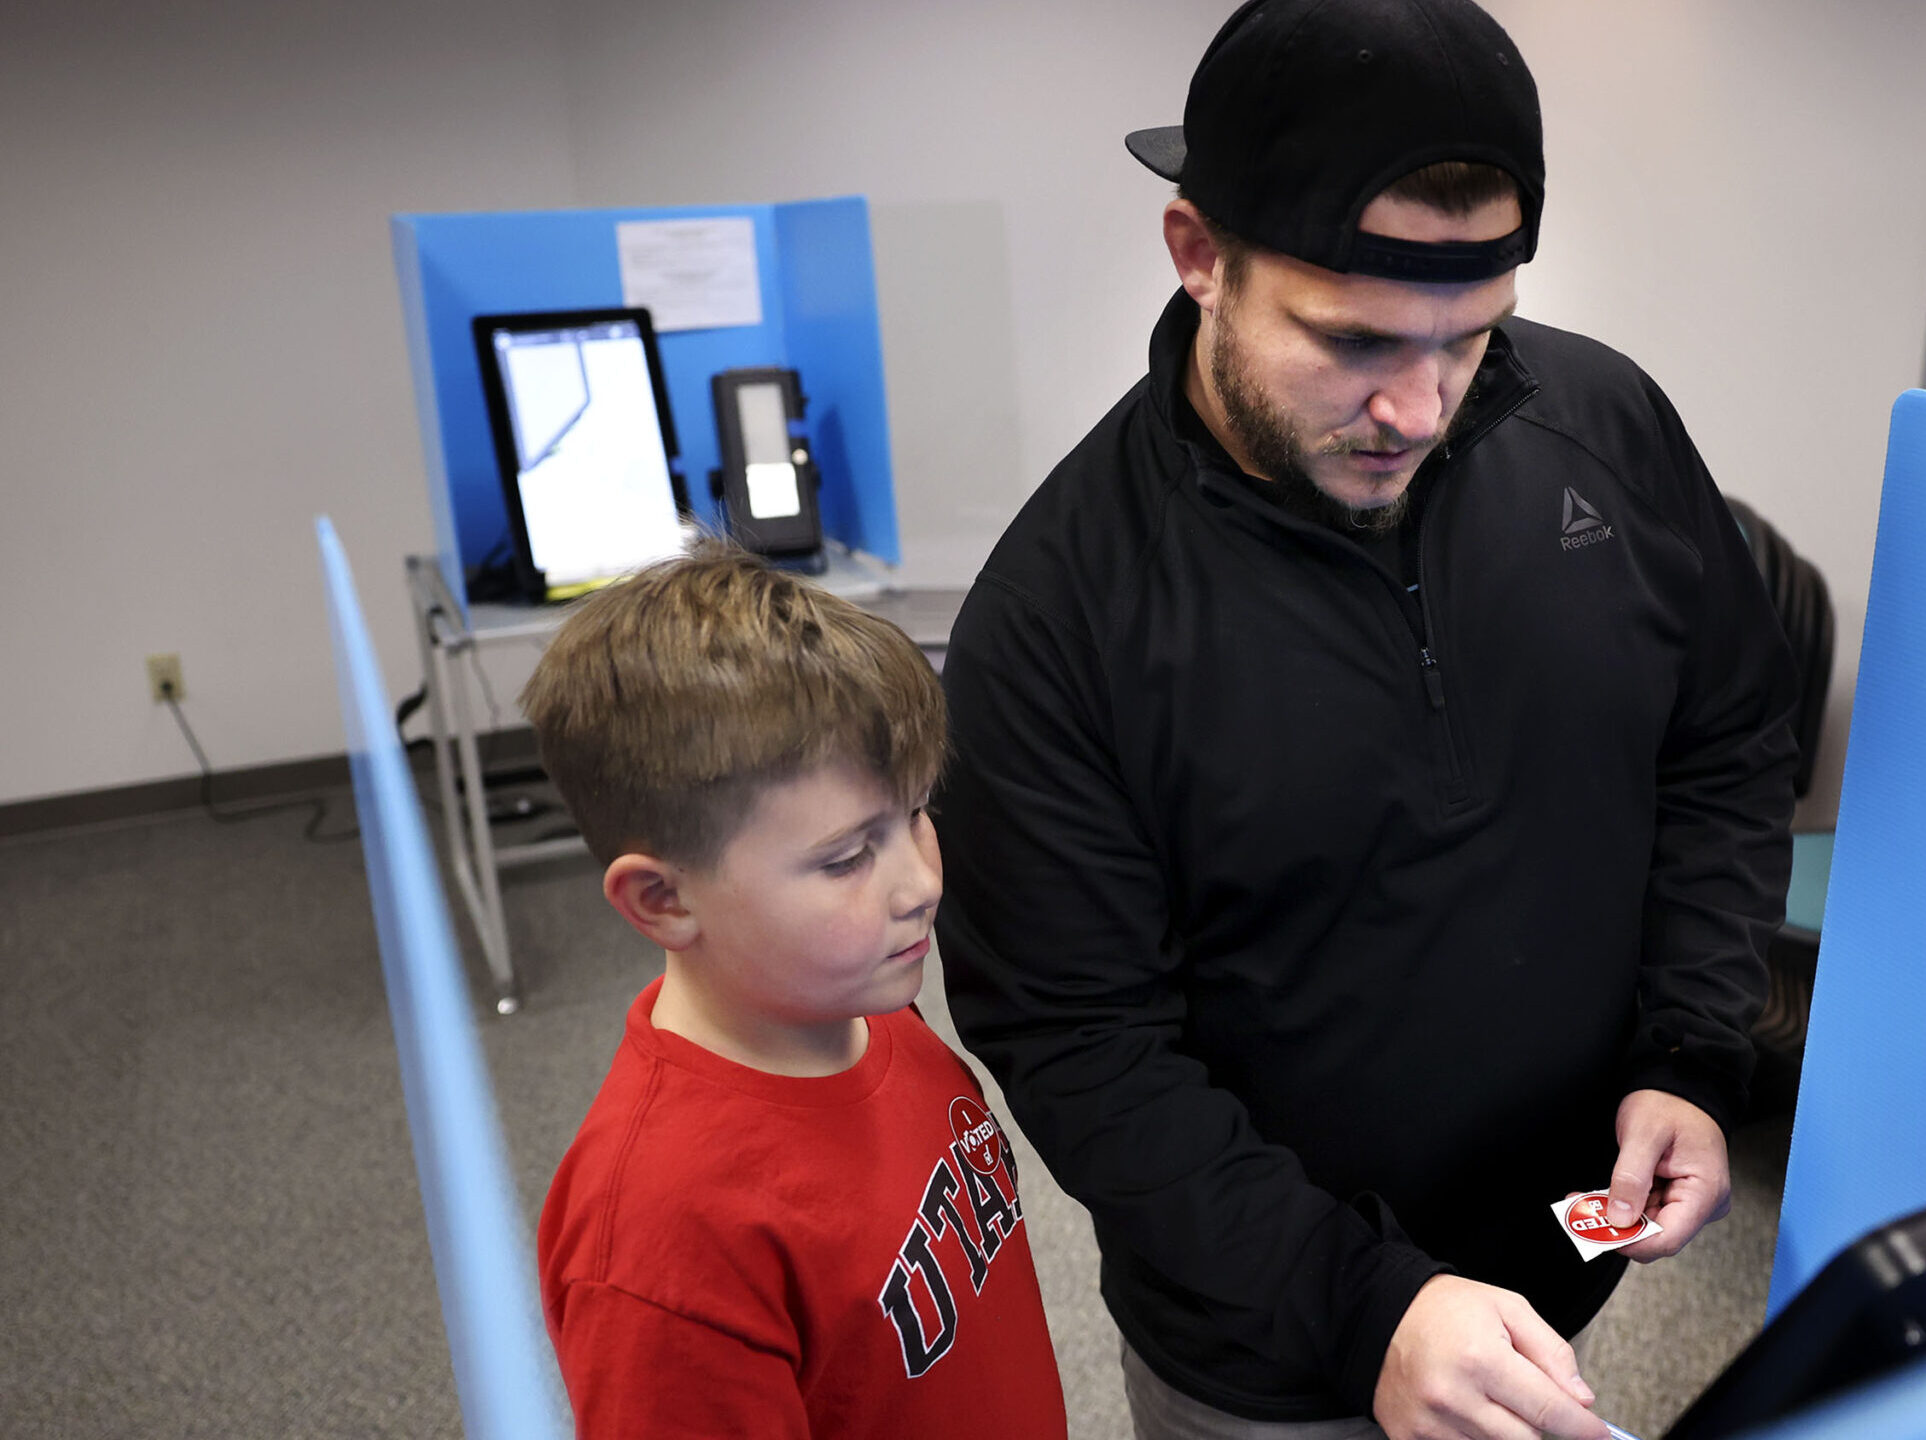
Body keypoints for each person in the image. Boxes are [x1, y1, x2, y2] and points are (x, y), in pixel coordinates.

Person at [936, 0, 1801, 1435]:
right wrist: (1366, 1305)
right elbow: (1084, 1046)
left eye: (1470, 338)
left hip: (1559, 1277)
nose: (1419, 407)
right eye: (1354, 341)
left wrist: (1691, 1057)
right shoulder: (1053, 622)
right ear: (1199, 255)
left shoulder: (1603, 423)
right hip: (1276, 1351)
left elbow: (1725, 735)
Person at [521, 550, 1070, 1439]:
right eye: (849, 857)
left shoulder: (866, 1001)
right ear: (662, 901)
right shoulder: (663, 1241)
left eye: (917, 815)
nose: (920, 884)